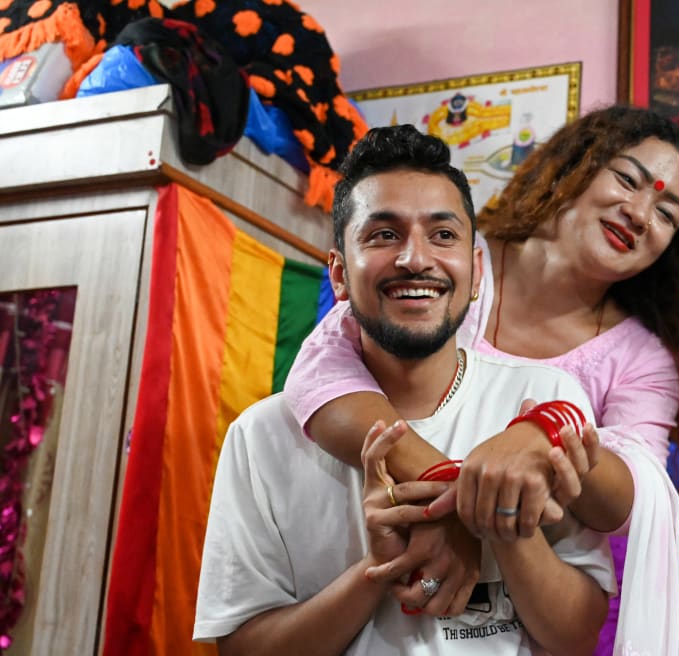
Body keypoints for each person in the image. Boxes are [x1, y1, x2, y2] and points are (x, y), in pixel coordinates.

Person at [284, 106, 679, 655]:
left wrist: (545, 432)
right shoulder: (454, 262)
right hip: (366, 567)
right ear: (575, 166)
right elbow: (319, 373)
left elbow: (634, 496)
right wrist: (452, 497)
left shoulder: (640, 358)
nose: (641, 213)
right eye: (627, 180)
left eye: (667, 213)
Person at [193, 125, 615, 655]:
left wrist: (497, 522)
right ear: (339, 273)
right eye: (383, 235)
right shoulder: (262, 436)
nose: (415, 258)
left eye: (443, 235)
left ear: (476, 271)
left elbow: (578, 635)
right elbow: (242, 650)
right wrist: (379, 567)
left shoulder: (543, 400)